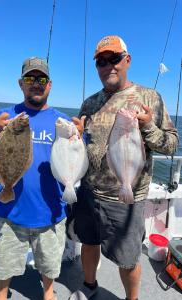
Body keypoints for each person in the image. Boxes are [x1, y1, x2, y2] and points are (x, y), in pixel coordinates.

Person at [68, 35, 179, 300]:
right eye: (101, 62)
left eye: (114, 59)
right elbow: (87, 146)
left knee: (128, 260)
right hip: (88, 192)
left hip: (126, 198)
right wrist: (76, 137)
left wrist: (148, 127)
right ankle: (89, 285)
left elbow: (172, 144)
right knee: (88, 243)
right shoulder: (90, 103)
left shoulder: (149, 98)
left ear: (127, 60)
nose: (109, 66)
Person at [0, 57, 70, 300]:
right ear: (21, 84)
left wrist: (78, 138)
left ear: (49, 85)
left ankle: (48, 292)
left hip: (50, 211)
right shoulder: (5, 117)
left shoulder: (63, 122)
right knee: (5, 266)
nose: (35, 83)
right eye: (30, 78)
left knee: (49, 266)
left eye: (41, 79)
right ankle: (1, 294)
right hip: (10, 212)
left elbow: (77, 161)